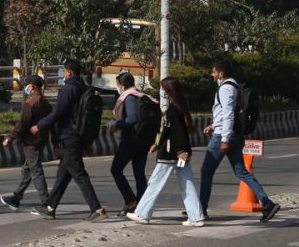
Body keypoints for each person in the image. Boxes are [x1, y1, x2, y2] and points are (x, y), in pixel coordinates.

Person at [198, 60, 280, 222]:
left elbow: (229, 114)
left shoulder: (225, 88)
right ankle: (267, 204)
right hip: (235, 135)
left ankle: (200, 209)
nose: (212, 75)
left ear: (221, 73)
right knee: (242, 172)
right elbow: (230, 112)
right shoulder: (235, 86)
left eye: (213, 72)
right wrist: (214, 125)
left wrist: (224, 139)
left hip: (224, 137)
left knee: (206, 172)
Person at [30, 59, 106, 221]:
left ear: (69, 72)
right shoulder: (83, 88)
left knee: (79, 173)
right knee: (63, 174)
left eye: (64, 71)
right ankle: (50, 207)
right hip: (78, 135)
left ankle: (97, 209)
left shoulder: (68, 89)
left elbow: (58, 113)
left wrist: (40, 125)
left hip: (69, 135)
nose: (63, 74)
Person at [127, 77, 205, 226]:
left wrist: (180, 150)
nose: (160, 91)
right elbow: (168, 131)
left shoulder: (173, 110)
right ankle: (196, 217)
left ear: (168, 90)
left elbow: (177, 131)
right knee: (187, 184)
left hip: (172, 154)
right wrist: (157, 144)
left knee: (155, 182)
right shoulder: (178, 107)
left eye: (162, 88)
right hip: (180, 154)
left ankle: (142, 213)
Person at [0, 74, 54, 210]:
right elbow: (52, 124)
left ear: (32, 87)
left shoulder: (30, 104)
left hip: (31, 142)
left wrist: (10, 138)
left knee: (36, 171)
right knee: (27, 170)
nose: (24, 88)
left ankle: (46, 202)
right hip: (41, 140)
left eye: (26, 86)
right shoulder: (46, 103)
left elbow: (22, 124)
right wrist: (56, 142)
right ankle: (16, 197)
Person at [109, 71, 150, 215]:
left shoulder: (129, 97)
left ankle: (130, 201)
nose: (118, 87)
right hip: (142, 140)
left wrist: (118, 125)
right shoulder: (139, 94)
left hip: (131, 140)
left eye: (118, 84)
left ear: (123, 84)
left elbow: (132, 118)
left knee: (115, 169)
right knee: (139, 173)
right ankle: (142, 206)